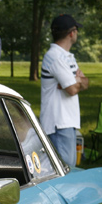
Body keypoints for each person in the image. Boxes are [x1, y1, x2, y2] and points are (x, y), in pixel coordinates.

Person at [40, 14, 89, 168]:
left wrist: (77, 81)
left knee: (69, 167)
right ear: (71, 33)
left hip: (66, 121)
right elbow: (72, 90)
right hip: (58, 123)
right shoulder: (55, 57)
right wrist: (76, 81)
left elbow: (84, 83)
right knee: (65, 170)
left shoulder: (67, 57)